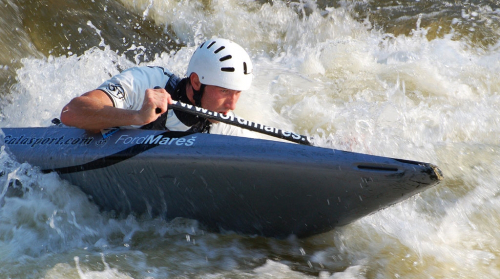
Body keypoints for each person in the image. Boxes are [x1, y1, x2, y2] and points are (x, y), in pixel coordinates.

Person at [60, 38, 253, 136]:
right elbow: (70, 112)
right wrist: (137, 116)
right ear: (196, 82)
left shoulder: (221, 120)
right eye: (224, 91)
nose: (232, 105)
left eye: (237, 93)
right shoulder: (144, 82)